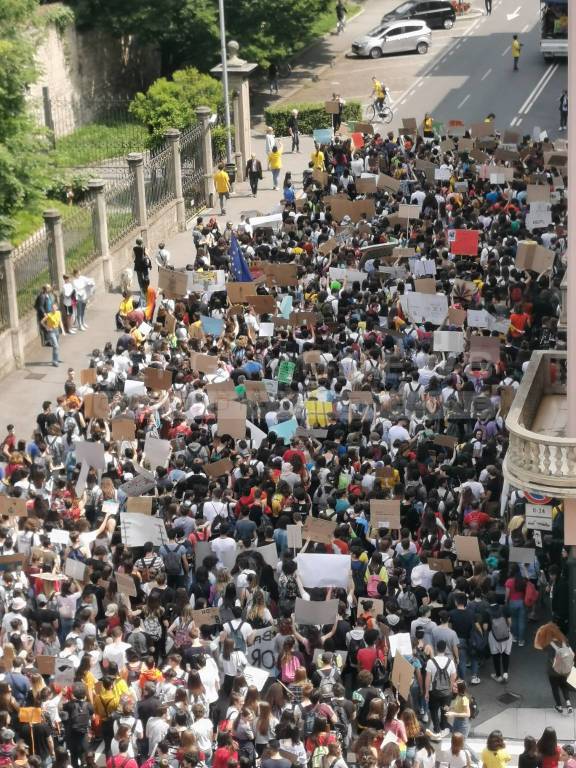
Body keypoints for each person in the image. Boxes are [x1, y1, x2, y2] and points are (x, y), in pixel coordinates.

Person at [533, 622, 574, 714]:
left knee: (555, 687)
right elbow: (572, 653)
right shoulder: (564, 641)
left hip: (553, 670)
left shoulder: (548, 645)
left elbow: (536, 645)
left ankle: (559, 706)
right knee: (564, 685)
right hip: (564, 669)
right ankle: (568, 704)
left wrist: (539, 631)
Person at [41, 301, 64, 367]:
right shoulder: (49, 315)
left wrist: (63, 330)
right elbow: (42, 322)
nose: (53, 309)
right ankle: (55, 361)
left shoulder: (58, 313)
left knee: (55, 346)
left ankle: (56, 358)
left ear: (57, 308)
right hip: (51, 331)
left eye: (54, 307)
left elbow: (60, 322)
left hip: (57, 331)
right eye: (52, 308)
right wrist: (46, 327)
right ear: (51, 308)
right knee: (56, 346)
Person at [133, 238, 151, 302]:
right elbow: (147, 255)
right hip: (143, 264)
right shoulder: (143, 248)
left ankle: (141, 289)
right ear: (141, 242)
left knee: (139, 277)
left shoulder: (134, 248)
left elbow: (134, 256)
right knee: (146, 276)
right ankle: (146, 288)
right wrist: (149, 260)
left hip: (137, 264)